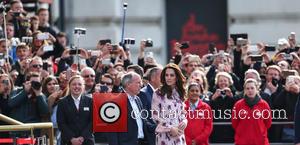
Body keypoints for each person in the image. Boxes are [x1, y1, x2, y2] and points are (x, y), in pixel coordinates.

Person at [108, 72, 155, 145]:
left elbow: (144, 122)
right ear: (128, 84)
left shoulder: (138, 100)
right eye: (138, 82)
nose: (141, 85)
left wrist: (158, 126)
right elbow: (112, 131)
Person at [151, 63, 187, 145]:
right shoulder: (158, 93)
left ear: (177, 77)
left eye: (172, 75)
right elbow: (155, 115)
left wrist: (185, 121)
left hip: (179, 135)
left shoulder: (179, 93)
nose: (168, 78)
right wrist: (170, 128)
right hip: (164, 136)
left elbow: (182, 112)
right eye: (166, 75)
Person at [232, 78, 272, 145]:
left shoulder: (264, 104)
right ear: (244, 90)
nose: (250, 90)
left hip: (260, 141)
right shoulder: (238, 105)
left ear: (257, 89)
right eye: (247, 88)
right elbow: (234, 123)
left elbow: (268, 123)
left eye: (252, 88)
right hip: (242, 141)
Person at [57, 75, 94, 145]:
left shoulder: (90, 101)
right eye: (74, 84)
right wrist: (72, 138)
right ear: (69, 86)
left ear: (83, 86)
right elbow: (61, 123)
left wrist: (82, 137)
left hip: (87, 141)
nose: (77, 86)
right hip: (68, 141)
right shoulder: (62, 102)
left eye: (79, 84)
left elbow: (92, 122)